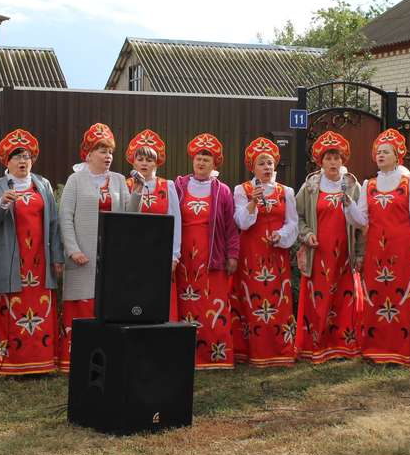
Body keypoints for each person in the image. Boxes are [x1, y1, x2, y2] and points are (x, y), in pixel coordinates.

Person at [344, 128, 410, 366]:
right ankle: (377, 348)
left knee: (401, 298)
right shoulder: (369, 185)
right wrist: (348, 202)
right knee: (377, 297)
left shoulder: (408, 184)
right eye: (378, 152)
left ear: (397, 156)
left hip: (403, 250)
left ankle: (402, 350)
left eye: (386, 152)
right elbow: (362, 219)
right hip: (376, 252)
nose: (381, 155)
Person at [0, 128, 64, 376]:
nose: (22, 161)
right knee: (9, 309)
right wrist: (2, 204)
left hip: (39, 262)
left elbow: (54, 224)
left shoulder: (43, 184)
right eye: (16, 157)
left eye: (26, 156)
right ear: (7, 161)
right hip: (10, 262)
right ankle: (7, 365)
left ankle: (40, 363)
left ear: (32, 160)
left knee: (38, 309)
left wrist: (57, 257)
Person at [57, 123, 128, 372]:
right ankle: (76, 361)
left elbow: (130, 215)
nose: (107, 156)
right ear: (88, 154)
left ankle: (108, 359)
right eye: (101, 150)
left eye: (109, 151)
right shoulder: (75, 180)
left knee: (108, 305)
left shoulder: (119, 180)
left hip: (111, 256)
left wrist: (139, 192)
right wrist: (73, 249)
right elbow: (65, 216)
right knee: (83, 305)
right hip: (82, 256)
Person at [295, 130, 364, 363]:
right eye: (328, 158)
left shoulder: (353, 186)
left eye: (337, 157)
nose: (333, 162)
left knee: (345, 300)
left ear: (343, 160)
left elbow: (363, 223)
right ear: (320, 162)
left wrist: (360, 253)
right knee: (319, 299)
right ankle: (317, 345)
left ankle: (342, 347)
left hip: (344, 255)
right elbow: (298, 217)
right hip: (319, 253)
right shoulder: (311, 186)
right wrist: (306, 234)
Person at [174, 133, 239, 370]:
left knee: (212, 305)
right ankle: (183, 355)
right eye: (198, 158)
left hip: (212, 257)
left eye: (207, 160)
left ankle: (215, 356)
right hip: (183, 258)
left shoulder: (223, 191)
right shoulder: (179, 186)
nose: (201, 163)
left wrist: (233, 255)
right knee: (186, 304)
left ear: (214, 165)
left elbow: (231, 227)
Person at [232, 137, 299, 367]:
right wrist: (252, 203)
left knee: (278, 304)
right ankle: (254, 351)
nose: (267, 168)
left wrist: (281, 235)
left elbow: (293, 223)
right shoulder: (242, 190)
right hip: (251, 255)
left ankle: (281, 351)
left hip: (276, 255)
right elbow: (241, 222)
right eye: (261, 163)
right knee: (254, 303)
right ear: (253, 167)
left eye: (270, 163)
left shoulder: (285, 191)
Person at [124, 128, 182, 321]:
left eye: (149, 160)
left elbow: (176, 221)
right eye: (140, 159)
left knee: (159, 297)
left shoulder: (168, 186)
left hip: (160, 252)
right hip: (134, 253)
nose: (144, 163)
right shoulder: (125, 185)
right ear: (133, 162)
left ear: (157, 163)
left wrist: (174, 255)